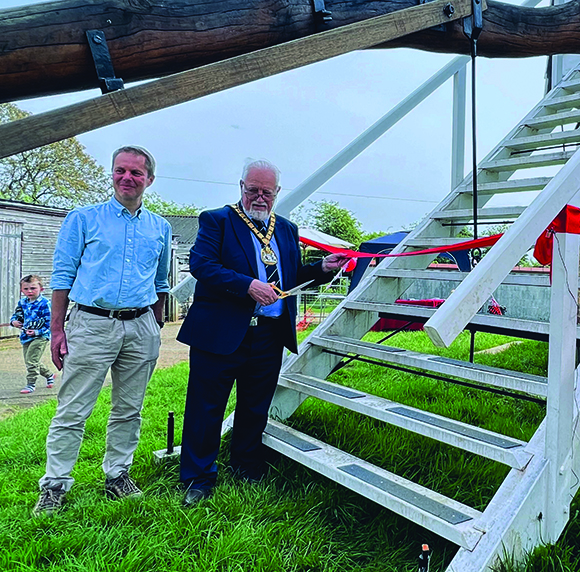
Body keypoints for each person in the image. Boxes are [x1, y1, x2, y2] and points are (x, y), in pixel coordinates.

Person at [177, 159, 349, 506]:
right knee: (205, 408)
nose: (258, 197)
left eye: (265, 192)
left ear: (277, 193)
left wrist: (320, 268)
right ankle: (198, 478)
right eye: (252, 190)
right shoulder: (217, 220)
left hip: (269, 334)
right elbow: (202, 266)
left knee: (255, 407)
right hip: (220, 334)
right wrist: (248, 286)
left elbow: (290, 276)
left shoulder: (286, 228)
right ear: (241, 187)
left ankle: (246, 466)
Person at [35, 145, 172, 515]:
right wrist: (58, 329)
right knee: (73, 409)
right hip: (92, 324)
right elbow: (62, 276)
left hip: (141, 326)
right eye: (120, 170)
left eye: (136, 173)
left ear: (150, 179)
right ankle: (55, 485)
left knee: (129, 408)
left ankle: (117, 475)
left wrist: (154, 323)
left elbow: (161, 282)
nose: (127, 178)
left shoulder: (160, 227)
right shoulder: (83, 219)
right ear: (111, 174)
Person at [9, 275, 57, 394]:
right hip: (26, 336)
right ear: (21, 290)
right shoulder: (22, 302)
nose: (29, 291)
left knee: (31, 361)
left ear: (41, 289)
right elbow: (18, 315)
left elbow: (50, 322)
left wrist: (37, 332)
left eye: (33, 288)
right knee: (31, 361)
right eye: (26, 289)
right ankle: (49, 375)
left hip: (41, 337)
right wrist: (13, 321)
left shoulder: (45, 304)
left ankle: (31, 384)